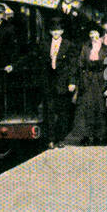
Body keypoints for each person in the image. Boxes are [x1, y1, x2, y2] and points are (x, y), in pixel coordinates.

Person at [62, 25, 107, 146]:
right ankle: (88, 136)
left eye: (95, 34)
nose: (92, 37)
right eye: (90, 34)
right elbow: (79, 66)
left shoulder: (106, 50)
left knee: (100, 109)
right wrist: (74, 81)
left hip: (100, 81)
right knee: (86, 110)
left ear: (100, 36)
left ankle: (100, 136)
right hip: (87, 82)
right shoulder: (85, 48)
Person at [38, 17, 77, 148]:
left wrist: (72, 82)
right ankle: (50, 139)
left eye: (58, 30)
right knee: (49, 112)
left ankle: (61, 139)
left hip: (63, 82)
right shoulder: (44, 44)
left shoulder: (68, 45)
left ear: (62, 31)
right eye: (53, 30)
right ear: (50, 32)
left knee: (62, 113)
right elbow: (36, 59)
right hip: (49, 82)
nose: (56, 32)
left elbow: (72, 65)